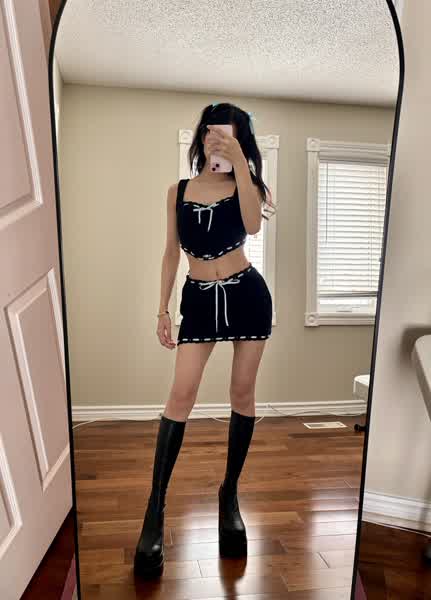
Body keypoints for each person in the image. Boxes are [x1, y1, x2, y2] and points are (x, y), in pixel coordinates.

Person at [134, 102, 276, 579]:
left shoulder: (249, 186)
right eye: (213, 132)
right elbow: (170, 253)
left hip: (247, 295)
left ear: (241, 140)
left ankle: (229, 493)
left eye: (228, 135)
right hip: (197, 299)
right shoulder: (177, 192)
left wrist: (241, 165)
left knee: (242, 393)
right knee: (181, 395)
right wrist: (162, 309)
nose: (218, 140)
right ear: (201, 136)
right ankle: (155, 508)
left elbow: (252, 225)